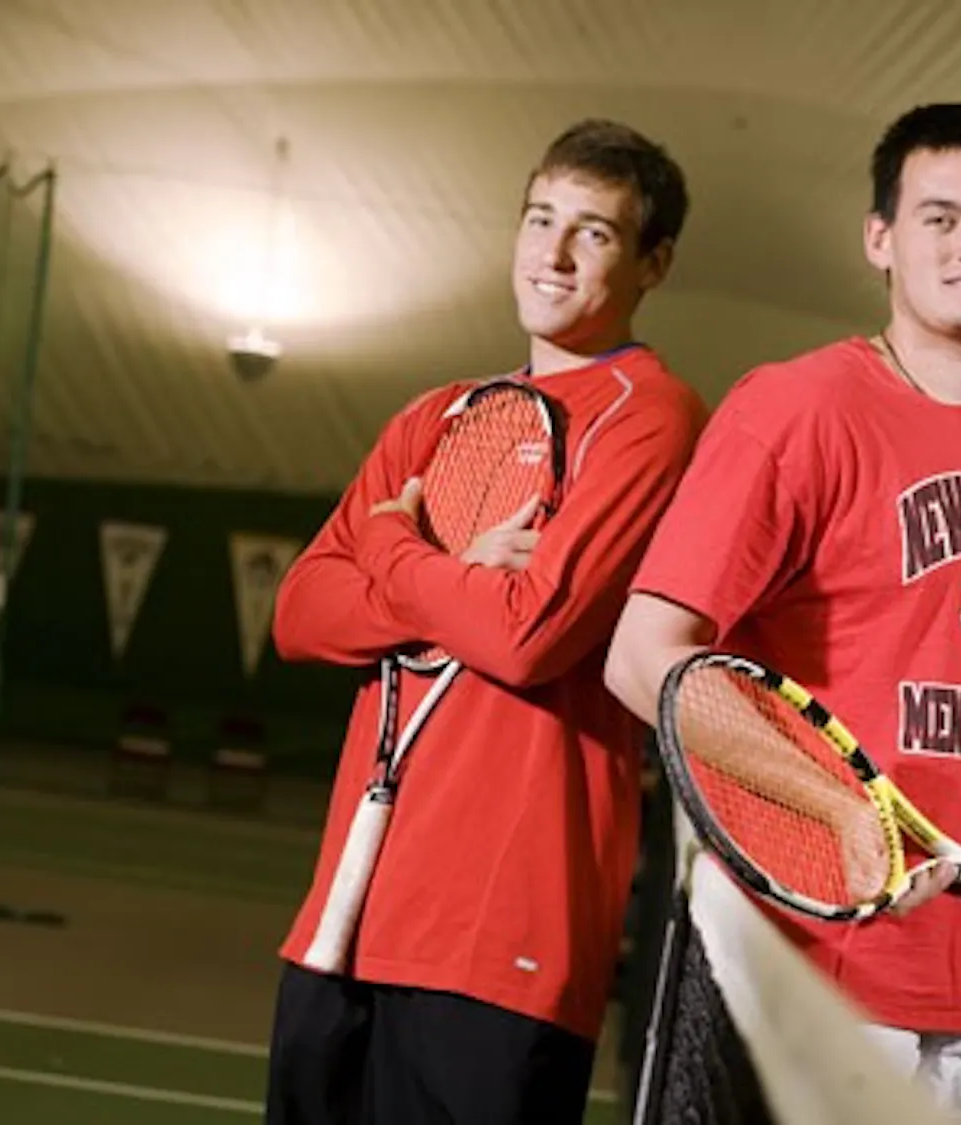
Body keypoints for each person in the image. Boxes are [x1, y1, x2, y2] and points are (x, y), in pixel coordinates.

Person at [603, 101, 961, 1125]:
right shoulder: (797, 409)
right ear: (880, 239)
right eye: (940, 216)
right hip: (811, 964)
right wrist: (841, 810)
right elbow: (644, 658)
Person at [263, 118, 707, 1125]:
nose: (551, 255)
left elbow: (528, 635)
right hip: (345, 920)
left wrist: (389, 549)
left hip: (505, 942)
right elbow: (298, 613)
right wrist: (449, 576)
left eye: (593, 233)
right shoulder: (437, 416)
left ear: (655, 263)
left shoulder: (651, 415)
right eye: (539, 219)